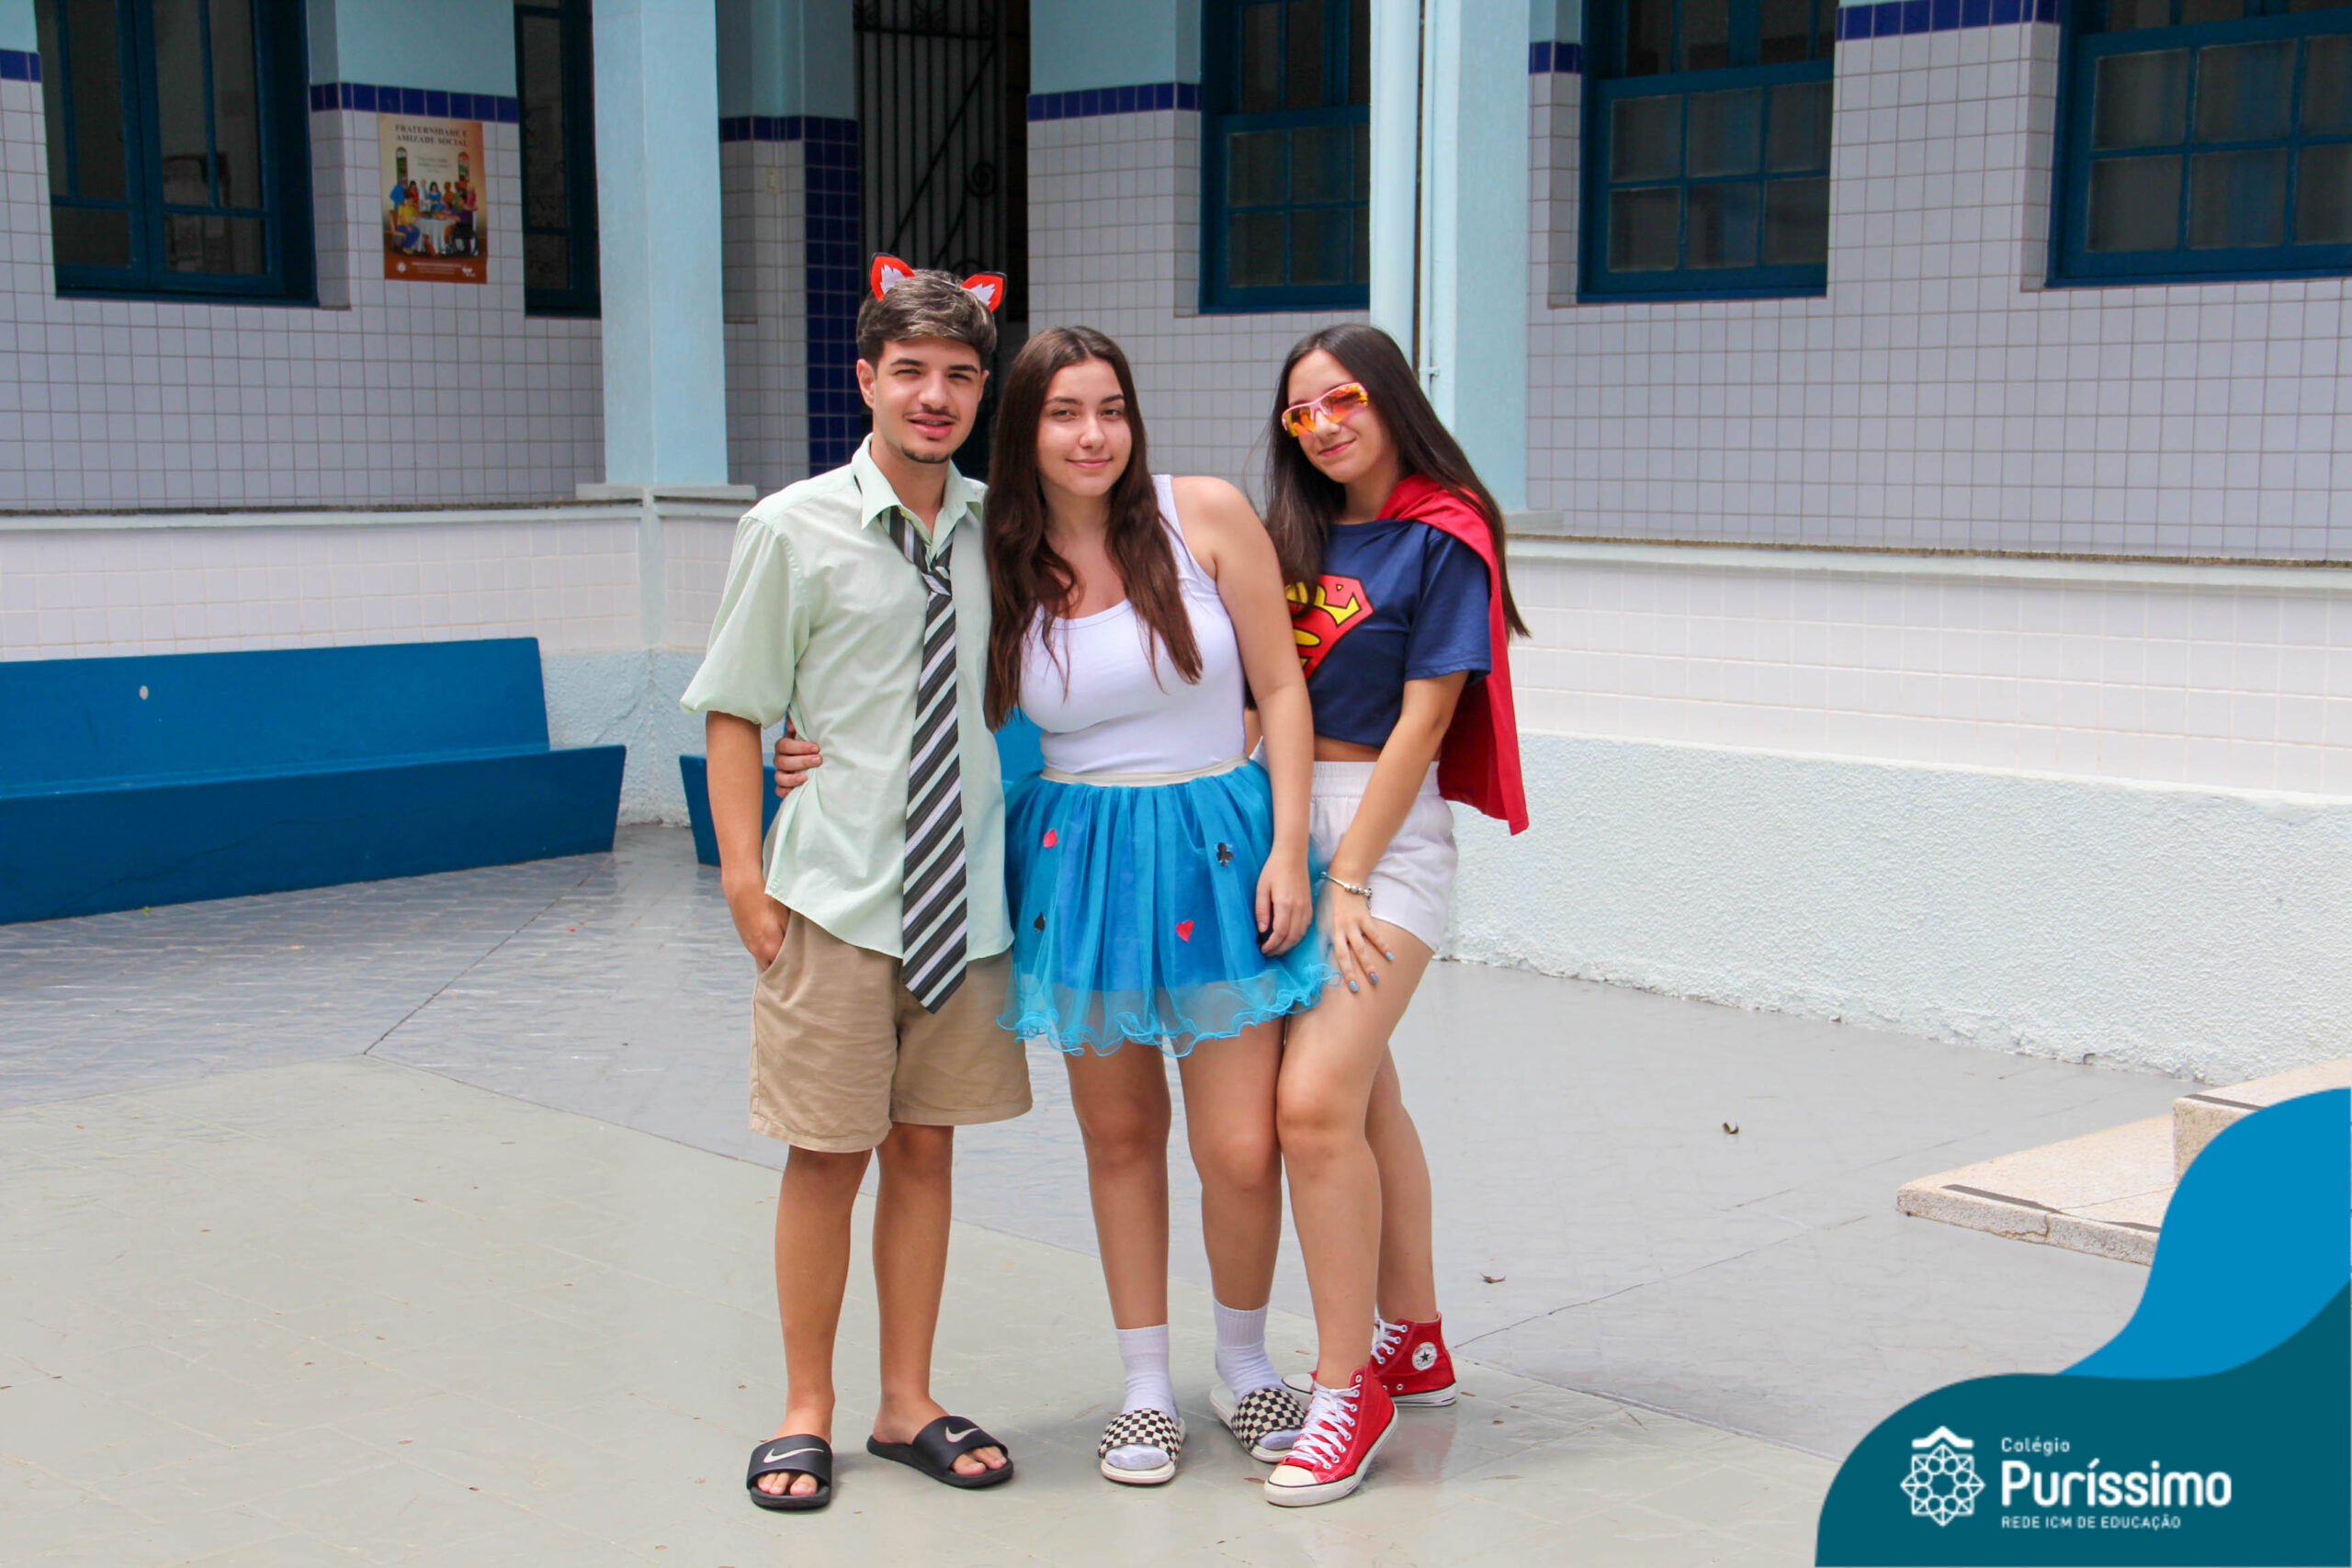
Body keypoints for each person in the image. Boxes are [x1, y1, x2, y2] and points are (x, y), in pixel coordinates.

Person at [683, 259, 1029, 1514]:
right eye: (911, 372)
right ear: (866, 378)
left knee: (926, 1148)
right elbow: (737, 707)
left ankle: (906, 1400)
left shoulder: (1007, 527)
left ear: (981, 391)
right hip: (832, 895)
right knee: (827, 1155)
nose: (935, 397)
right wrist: (743, 877)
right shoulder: (791, 527)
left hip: (961, 904)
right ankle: (805, 1407)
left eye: (960, 375)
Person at [988, 326, 1331, 1485]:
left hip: (1218, 846)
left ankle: (1243, 1361)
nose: (1093, 436)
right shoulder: (998, 557)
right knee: (1122, 1136)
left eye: (1111, 409)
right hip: (1081, 861)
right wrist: (806, 749)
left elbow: (1281, 686)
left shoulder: (1204, 515)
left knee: (1240, 1145)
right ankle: (1144, 1386)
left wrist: (1288, 848)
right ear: (1025, 431)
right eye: (1063, 413)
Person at [1256, 322, 1530, 1507]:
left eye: (1344, 400)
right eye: (1300, 411)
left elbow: (1425, 721)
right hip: (1277, 819)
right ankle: (1411, 1338)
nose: (1322, 425)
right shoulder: (1287, 536)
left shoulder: (1445, 534)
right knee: (1366, 1096)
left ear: (1389, 399)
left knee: (1312, 1106)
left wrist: (1349, 876)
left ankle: (1343, 1388)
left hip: (1383, 836)